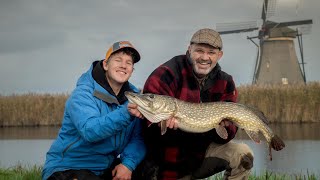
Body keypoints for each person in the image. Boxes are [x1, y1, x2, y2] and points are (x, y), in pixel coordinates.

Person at [129, 28, 254, 180]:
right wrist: (165, 128)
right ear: (189, 49)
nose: (204, 57)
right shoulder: (166, 74)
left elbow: (225, 137)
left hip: (200, 156)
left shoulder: (226, 82)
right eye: (199, 51)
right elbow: (148, 133)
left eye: (211, 53)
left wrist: (225, 126)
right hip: (165, 163)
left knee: (242, 153)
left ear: (219, 55)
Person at [42, 41, 146, 180]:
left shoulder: (135, 99)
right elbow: (90, 131)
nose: (123, 65)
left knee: (150, 166)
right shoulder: (82, 94)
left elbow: (138, 138)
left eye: (129, 63)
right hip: (69, 167)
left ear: (132, 70)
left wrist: (127, 165)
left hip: (104, 168)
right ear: (105, 64)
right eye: (118, 60)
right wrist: (126, 113)